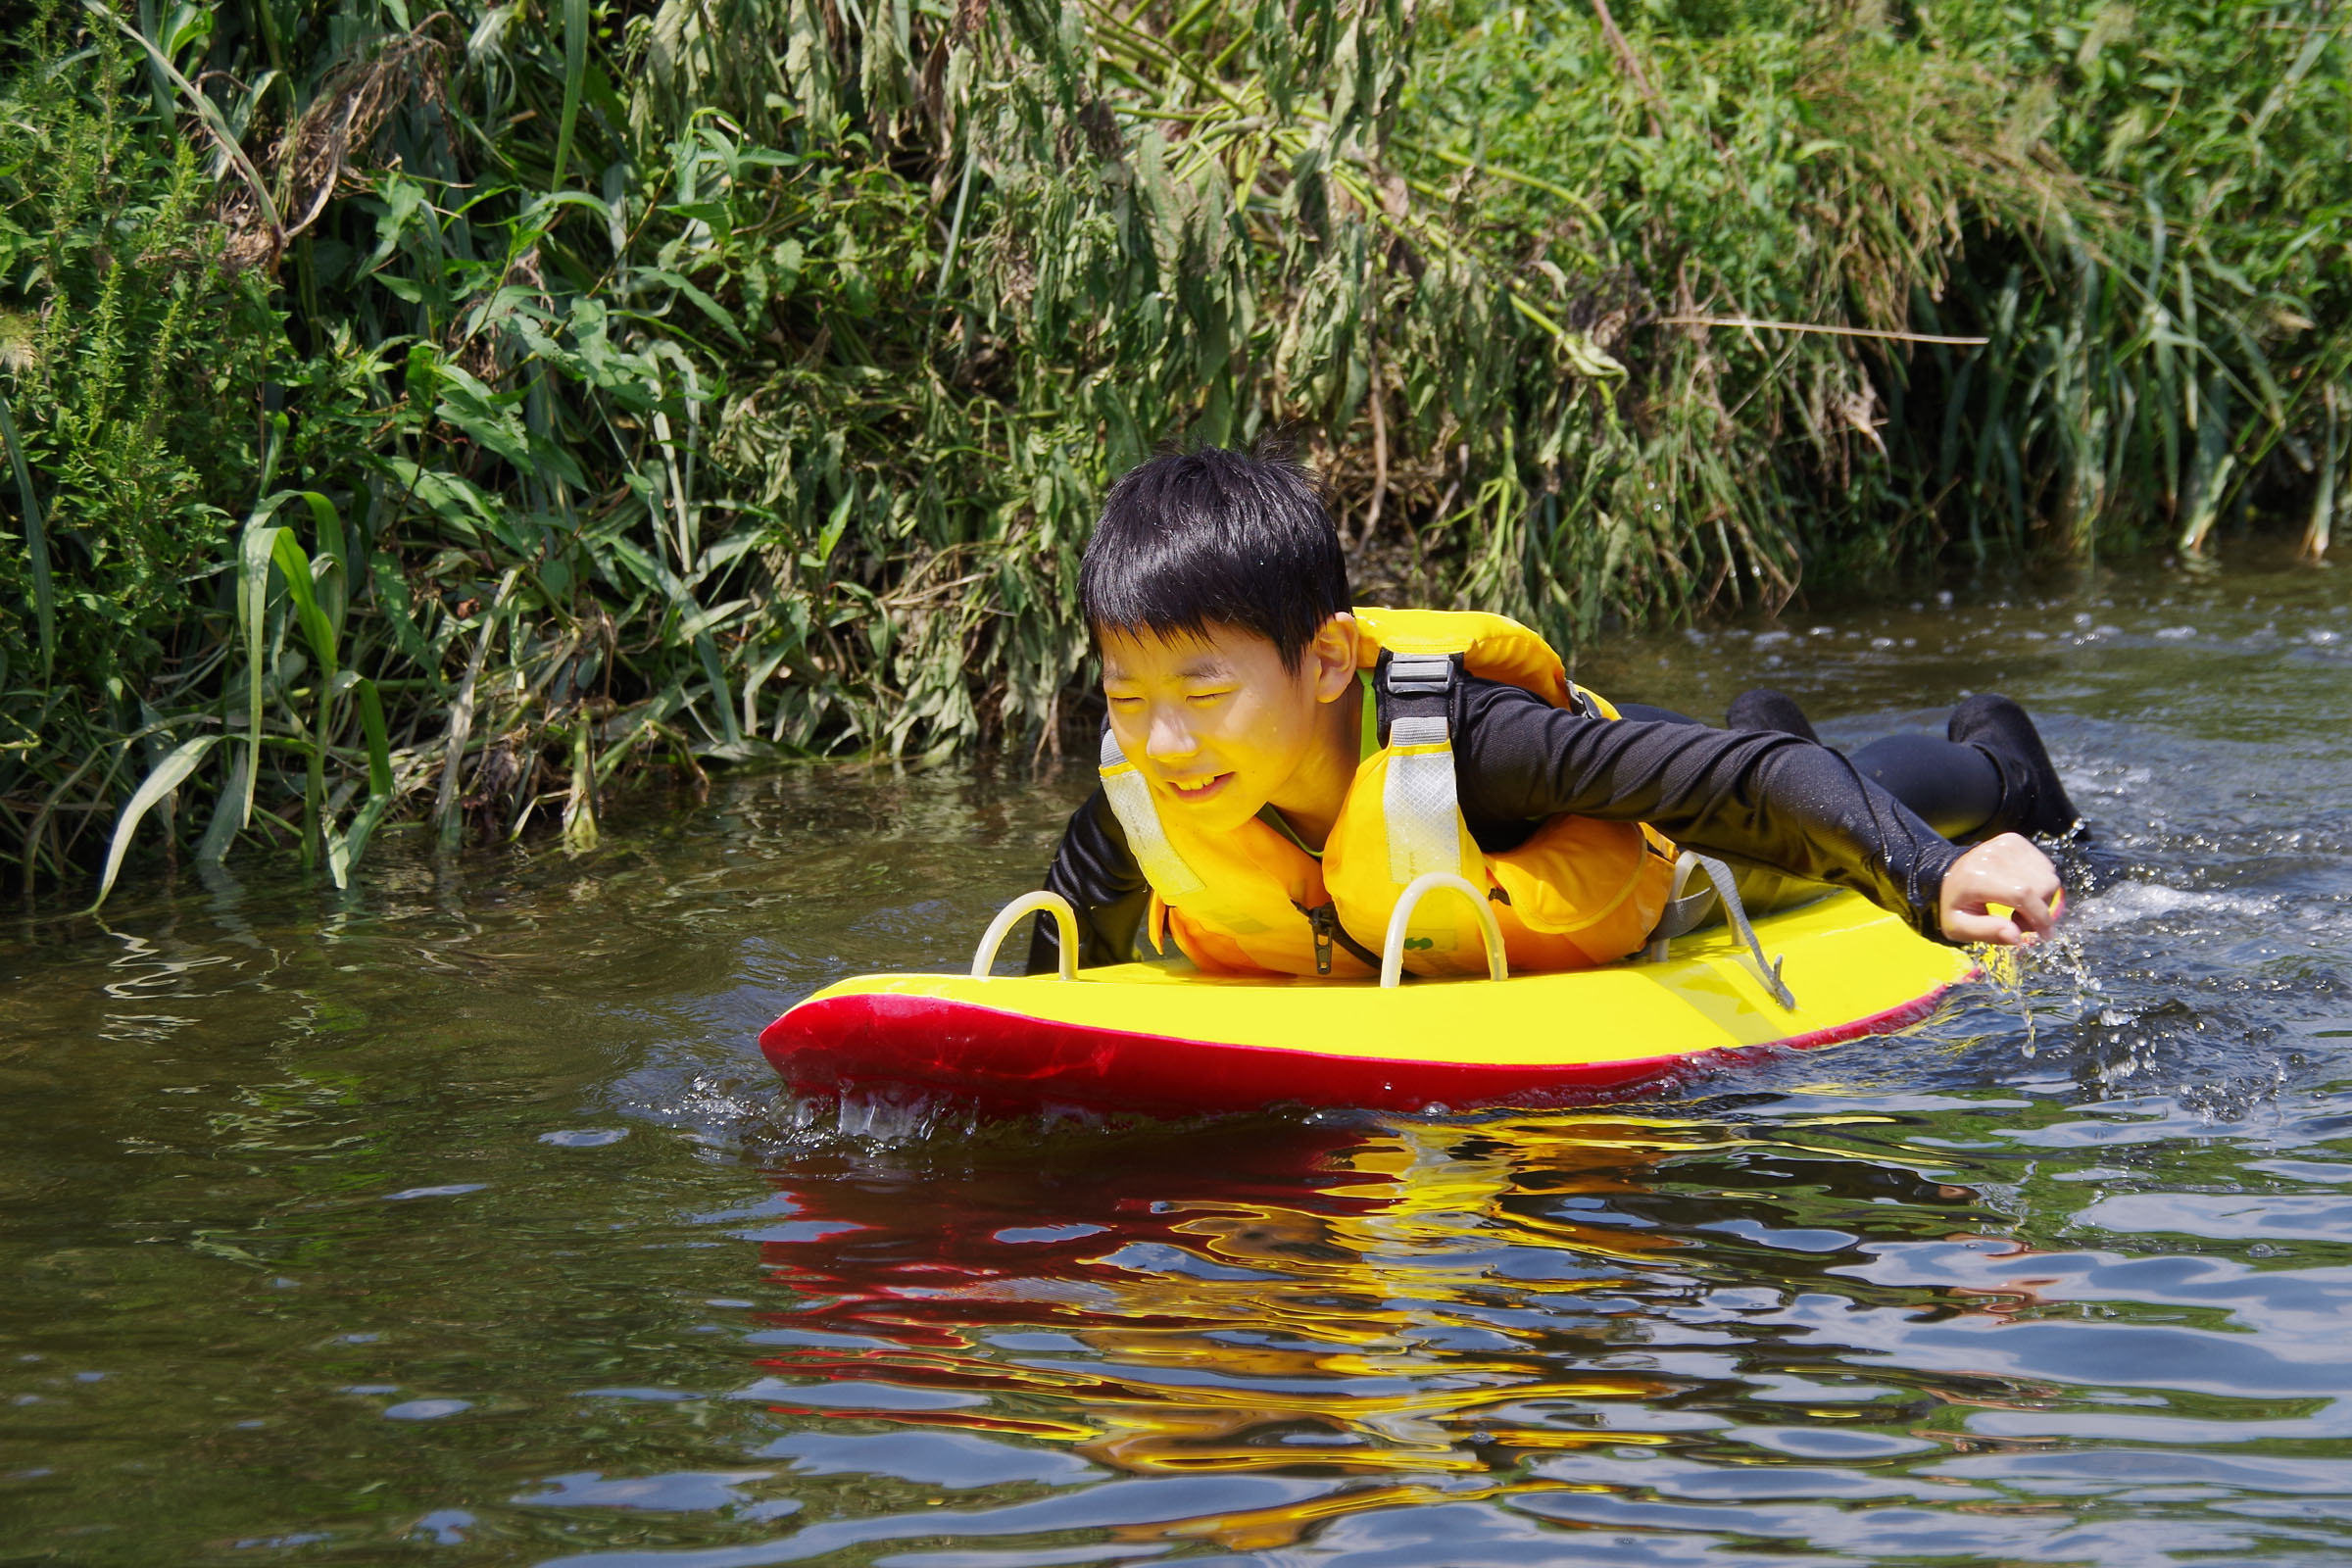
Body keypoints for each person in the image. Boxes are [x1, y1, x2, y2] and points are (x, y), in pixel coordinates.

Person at [1028, 444, 2076, 979]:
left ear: (1330, 659)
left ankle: (2003, 758)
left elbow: (1737, 790)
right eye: (1127, 696)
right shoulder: (1151, 797)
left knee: (1842, 784)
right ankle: (1772, 720)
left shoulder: (1474, 745)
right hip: (1696, 766)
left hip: (1672, 829)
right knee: (1768, 748)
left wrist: (1938, 874)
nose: (1164, 741)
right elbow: (1067, 961)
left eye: (1204, 692)